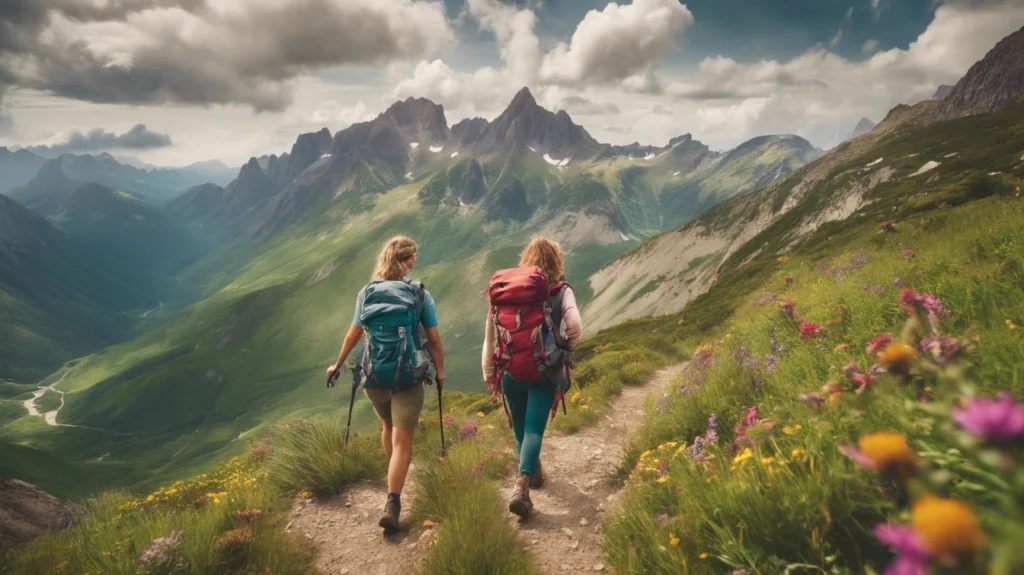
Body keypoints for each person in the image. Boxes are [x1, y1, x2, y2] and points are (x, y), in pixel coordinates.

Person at [326, 236, 445, 533]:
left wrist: (337, 365)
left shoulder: (366, 293)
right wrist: (440, 371)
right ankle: (393, 500)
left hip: (374, 375)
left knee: (387, 428)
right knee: (403, 441)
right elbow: (433, 339)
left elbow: (353, 335)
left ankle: (396, 477)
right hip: (408, 376)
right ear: (409, 260)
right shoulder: (419, 294)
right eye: (414, 256)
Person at [482, 237, 582, 518]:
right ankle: (522, 484)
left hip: (510, 370)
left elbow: (489, 337)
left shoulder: (506, 292)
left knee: (519, 428)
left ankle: (533, 473)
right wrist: (566, 349)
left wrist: (490, 374)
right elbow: (574, 325)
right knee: (533, 430)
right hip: (543, 370)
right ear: (557, 261)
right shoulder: (561, 290)